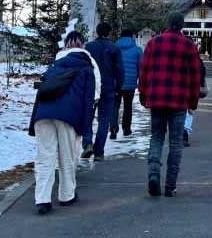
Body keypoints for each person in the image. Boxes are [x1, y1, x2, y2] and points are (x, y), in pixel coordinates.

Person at [28, 31, 96, 215]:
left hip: (43, 115)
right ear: (83, 46)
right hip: (68, 116)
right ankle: (66, 195)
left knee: (44, 157)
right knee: (67, 156)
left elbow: (40, 93)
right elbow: (88, 101)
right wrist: (85, 131)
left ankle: (42, 199)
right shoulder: (87, 69)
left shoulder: (54, 67)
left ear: (65, 46)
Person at [139, 12, 202, 197]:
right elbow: (195, 77)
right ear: (181, 25)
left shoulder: (153, 43)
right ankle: (170, 185)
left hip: (157, 97)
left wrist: (143, 94)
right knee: (175, 142)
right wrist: (193, 102)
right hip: (179, 99)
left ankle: (153, 173)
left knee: (157, 137)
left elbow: (144, 71)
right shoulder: (189, 46)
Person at [85, 22, 123, 161]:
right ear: (109, 33)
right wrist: (119, 87)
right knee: (104, 119)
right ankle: (99, 150)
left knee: (87, 116)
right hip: (108, 86)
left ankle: (87, 142)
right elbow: (119, 70)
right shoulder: (114, 48)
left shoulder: (88, 47)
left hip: (91, 86)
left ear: (96, 31)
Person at [115, 29, 143, 137]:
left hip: (116, 82)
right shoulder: (137, 50)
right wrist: (140, 82)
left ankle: (113, 127)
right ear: (132, 37)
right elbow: (141, 67)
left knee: (115, 106)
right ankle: (126, 129)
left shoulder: (114, 48)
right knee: (128, 106)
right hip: (130, 83)